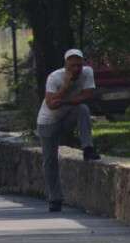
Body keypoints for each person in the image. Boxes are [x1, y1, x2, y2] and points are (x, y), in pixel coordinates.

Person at [37, 49, 101, 212]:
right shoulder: (55, 77)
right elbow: (51, 104)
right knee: (50, 161)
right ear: (66, 65)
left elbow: (87, 95)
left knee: (83, 109)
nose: (76, 69)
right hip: (48, 122)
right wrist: (65, 86)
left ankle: (87, 147)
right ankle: (55, 199)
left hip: (67, 116)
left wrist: (64, 101)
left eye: (79, 65)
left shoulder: (87, 73)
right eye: (72, 66)